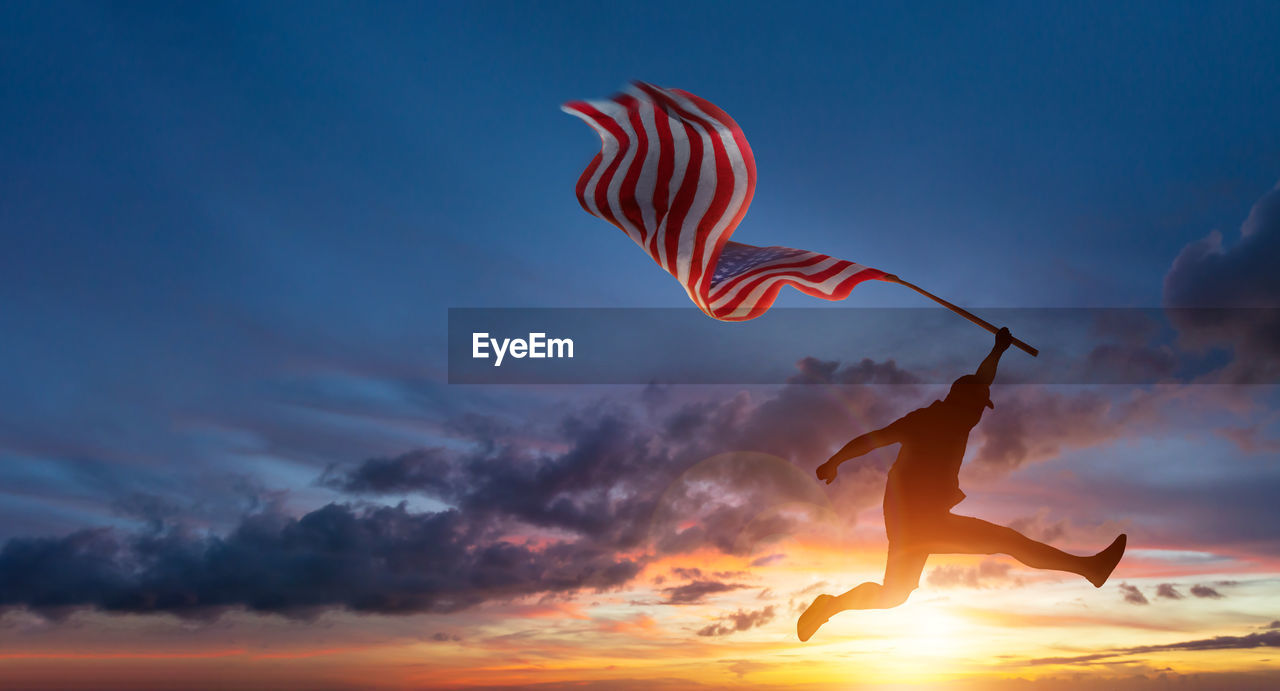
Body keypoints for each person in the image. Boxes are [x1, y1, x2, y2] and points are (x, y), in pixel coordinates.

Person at [797, 327, 1126, 642]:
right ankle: (1088, 568)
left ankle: (831, 605)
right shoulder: (938, 419)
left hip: (907, 524)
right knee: (1008, 541)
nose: (981, 413)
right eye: (981, 405)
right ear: (966, 402)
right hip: (919, 520)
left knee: (893, 595)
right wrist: (834, 460)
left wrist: (998, 349)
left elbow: (980, 382)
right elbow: (873, 439)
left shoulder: (946, 416)